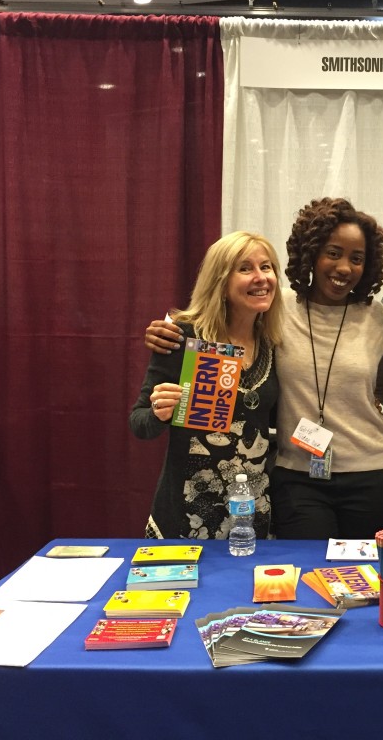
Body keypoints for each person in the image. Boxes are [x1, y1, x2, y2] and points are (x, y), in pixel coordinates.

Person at [144, 198, 383, 538]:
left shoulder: (379, 316)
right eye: (333, 253)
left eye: (357, 259)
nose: (344, 267)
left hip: (375, 472)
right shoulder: (275, 307)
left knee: (369, 571)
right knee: (307, 569)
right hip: (298, 476)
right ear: (311, 253)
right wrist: (171, 332)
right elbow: (221, 321)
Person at [129, 231, 284, 540]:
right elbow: (139, 422)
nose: (260, 277)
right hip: (186, 516)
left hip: (251, 516)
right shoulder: (183, 336)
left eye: (266, 267)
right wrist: (160, 412)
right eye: (245, 268)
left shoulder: (274, 342)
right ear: (220, 281)